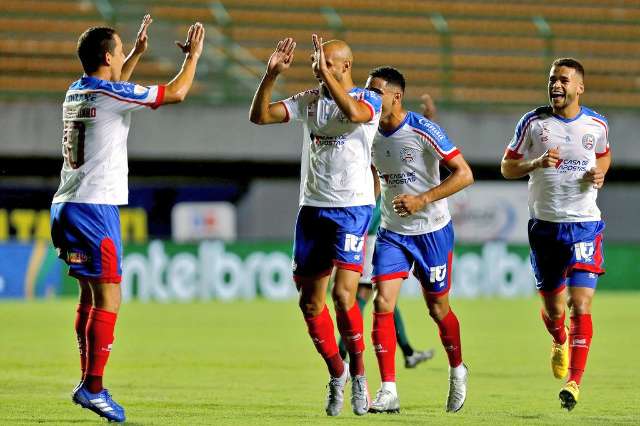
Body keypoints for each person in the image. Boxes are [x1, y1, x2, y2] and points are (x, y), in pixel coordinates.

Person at [50, 16, 205, 422]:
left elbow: (115, 88)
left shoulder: (77, 89)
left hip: (67, 204)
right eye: (119, 51)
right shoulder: (107, 93)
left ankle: (88, 381)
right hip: (95, 209)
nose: (123, 56)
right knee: (110, 297)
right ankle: (94, 387)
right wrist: (193, 58)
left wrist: (133, 54)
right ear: (106, 56)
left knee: (89, 296)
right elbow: (178, 91)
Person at [249, 35, 382, 416]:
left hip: (352, 209)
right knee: (310, 302)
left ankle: (359, 377)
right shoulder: (310, 101)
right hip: (312, 211)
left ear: (345, 66)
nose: (316, 67)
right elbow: (260, 116)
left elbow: (357, 116)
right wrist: (270, 75)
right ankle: (337, 373)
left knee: (344, 296)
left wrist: (328, 79)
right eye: (314, 61)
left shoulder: (367, 98)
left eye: (325, 62)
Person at [501, 58, 610, 411]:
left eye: (563, 80)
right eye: (552, 79)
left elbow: (604, 155)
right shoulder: (533, 122)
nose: (556, 85)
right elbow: (506, 166)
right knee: (554, 310)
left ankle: (574, 383)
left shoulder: (596, 124)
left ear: (580, 87)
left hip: (584, 225)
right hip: (545, 228)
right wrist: (535, 163)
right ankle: (559, 338)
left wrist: (600, 173)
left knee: (581, 304)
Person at [364, 67, 474, 414]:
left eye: (376, 92)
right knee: (383, 303)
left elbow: (465, 174)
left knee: (438, 309)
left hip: (432, 231)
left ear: (396, 96)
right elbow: (375, 175)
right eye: (366, 91)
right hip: (393, 233)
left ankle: (458, 370)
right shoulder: (366, 132)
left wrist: (422, 199)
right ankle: (389, 390)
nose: (368, 97)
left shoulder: (423, 129)